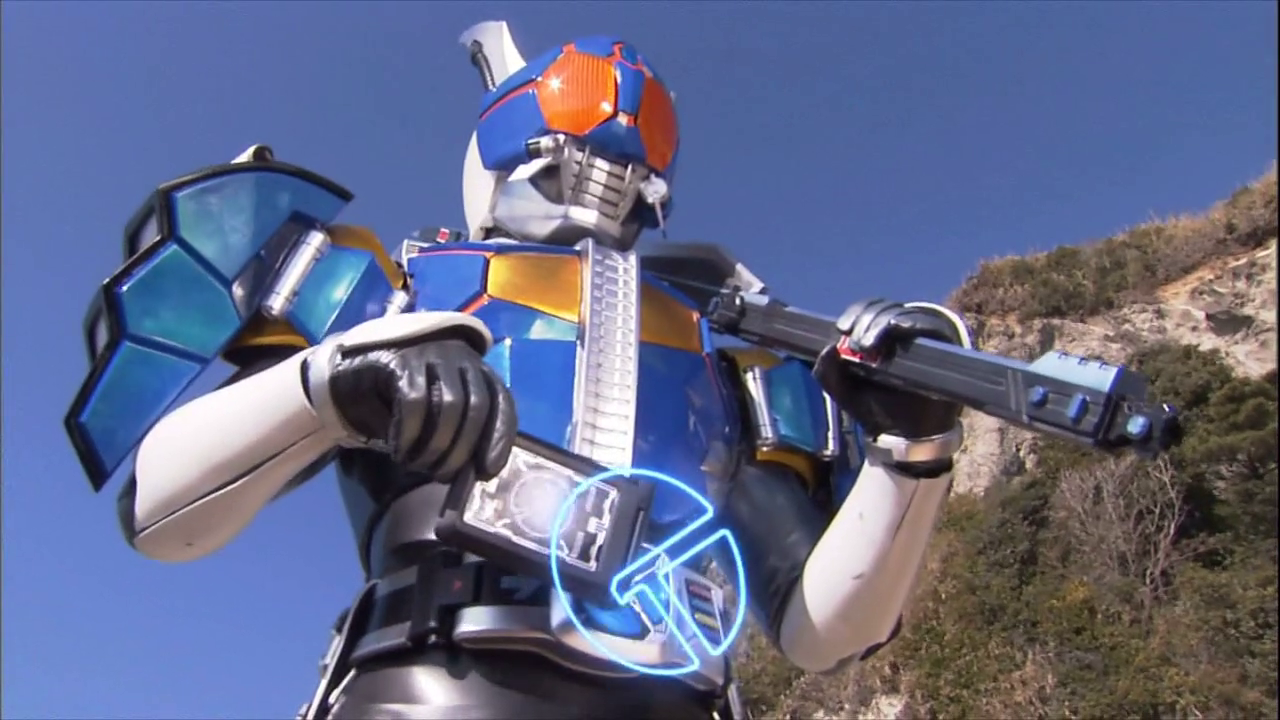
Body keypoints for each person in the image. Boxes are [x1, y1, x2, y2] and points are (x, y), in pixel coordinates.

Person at [67, 22, 971, 720]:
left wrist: (912, 451)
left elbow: (819, 630)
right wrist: (338, 386)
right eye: (570, 154)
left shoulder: (722, 367)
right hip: (432, 684)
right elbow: (160, 511)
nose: (602, 179)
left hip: (675, 694)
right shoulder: (390, 298)